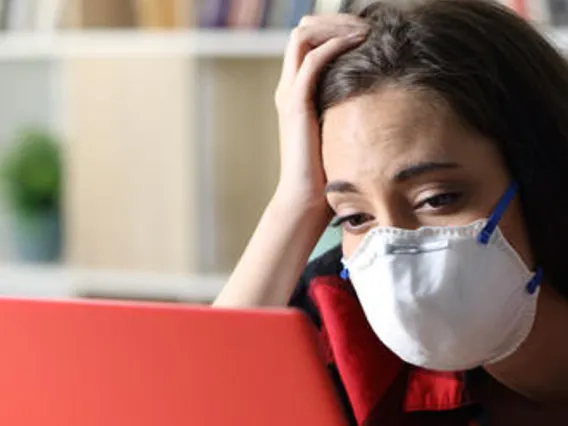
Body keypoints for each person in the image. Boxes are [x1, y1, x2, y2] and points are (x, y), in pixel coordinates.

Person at [214, 0, 568, 424]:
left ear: (540, 176)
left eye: (436, 199)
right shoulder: (339, 327)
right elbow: (192, 403)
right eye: (355, 217)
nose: (394, 249)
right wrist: (294, 202)